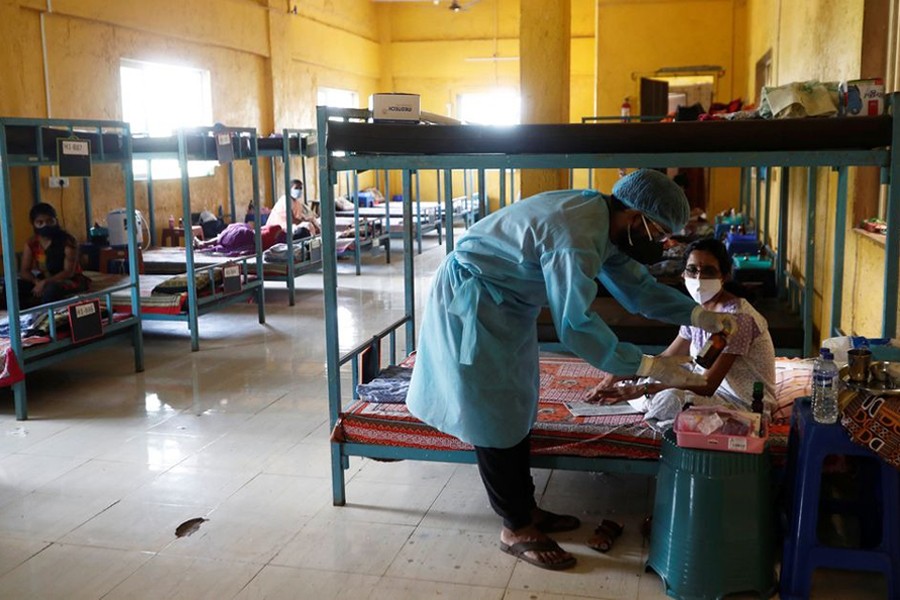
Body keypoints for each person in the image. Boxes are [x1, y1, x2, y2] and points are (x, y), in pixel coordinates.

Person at [405, 169, 736, 571]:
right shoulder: (577, 236)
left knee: (518, 402)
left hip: (507, 304)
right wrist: (646, 365)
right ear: (636, 217)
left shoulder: (603, 220)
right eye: (660, 234)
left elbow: (639, 290)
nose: (662, 244)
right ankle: (515, 527)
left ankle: (525, 507)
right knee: (494, 414)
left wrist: (699, 315)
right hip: (475, 301)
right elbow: (575, 325)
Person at [585, 238, 777, 418]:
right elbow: (667, 358)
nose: (699, 277)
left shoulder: (737, 320)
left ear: (724, 277)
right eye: (692, 270)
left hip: (742, 404)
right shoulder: (696, 313)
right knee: (649, 382)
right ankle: (648, 402)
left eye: (709, 271)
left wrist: (643, 389)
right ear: (683, 274)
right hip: (709, 392)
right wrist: (624, 371)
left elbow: (707, 385)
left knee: (669, 398)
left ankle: (653, 408)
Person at [5, 203, 88, 309]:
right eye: (40, 222)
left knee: (51, 290)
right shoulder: (32, 243)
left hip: (70, 279)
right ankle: (22, 319)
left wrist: (45, 282)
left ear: (56, 221)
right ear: (34, 224)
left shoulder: (68, 241)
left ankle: (45, 317)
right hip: (44, 278)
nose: (45, 225)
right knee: (12, 288)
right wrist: (36, 282)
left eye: (50, 221)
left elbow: (69, 272)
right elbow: (24, 271)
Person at [194, 222, 283, 255]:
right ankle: (204, 244)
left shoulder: (278, 234)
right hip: (250, 238)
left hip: (249, 239)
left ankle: (204, 244)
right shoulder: (278, 230)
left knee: (235, 234)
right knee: (236, 230)